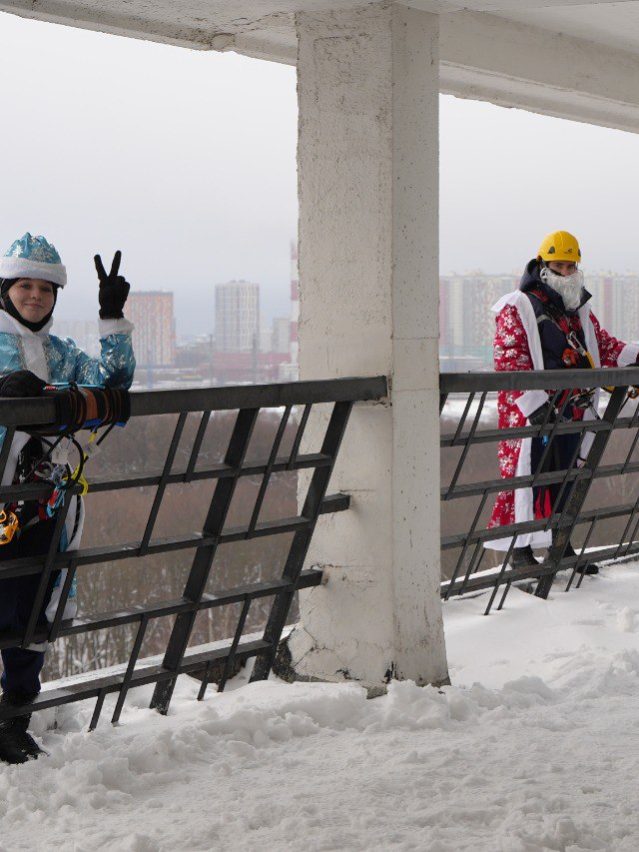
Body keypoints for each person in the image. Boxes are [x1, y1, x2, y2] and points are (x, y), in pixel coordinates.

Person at [0, 232, 135, 763]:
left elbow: (115, 386)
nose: (34, 296)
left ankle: (14, 722)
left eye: (45, 288)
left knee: (33, 609)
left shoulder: (60, 353)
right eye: (24, 286)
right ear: (6, 288)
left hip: (46, 506)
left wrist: (111, 319)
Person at [486, 230, 639, 574]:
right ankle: (520, 550)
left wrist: (633, 356)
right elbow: (510, 358)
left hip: (571, 408)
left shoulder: (576, 310)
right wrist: (533, 402)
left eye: (571, 266)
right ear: (543, 266)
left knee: (566, 476)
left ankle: (560, 544)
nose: (566, 273)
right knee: (525, 478)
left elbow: (602, 345)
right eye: (559, 266)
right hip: (533, 412)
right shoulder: (518, 306)